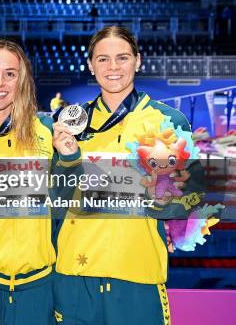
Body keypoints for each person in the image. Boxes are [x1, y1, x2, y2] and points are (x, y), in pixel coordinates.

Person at [54, 26, 206, 324]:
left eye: (122, 58)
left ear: (138, 60)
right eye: (103, 59)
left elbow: (192, 196)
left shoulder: (167, 120)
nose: (113, 68)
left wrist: (155, 198)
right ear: (90, 65)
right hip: (75, 273)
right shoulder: (70, 123)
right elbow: (54, 198)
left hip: (139, 272)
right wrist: (69, 160)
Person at [0, 39, 81, 325]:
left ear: (22, 80)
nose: (0, 82)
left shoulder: (46, 134)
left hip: (36, 289)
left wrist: (71, 160)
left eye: (10, 74)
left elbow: (65, 204)